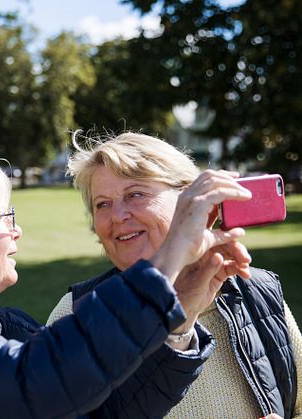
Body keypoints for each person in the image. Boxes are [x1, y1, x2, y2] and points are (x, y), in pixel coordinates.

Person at [0, 133, 253, 419]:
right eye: (3, 217)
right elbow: (38, 385)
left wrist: (180, 313)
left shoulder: (9, 329)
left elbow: (105, 412)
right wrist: (167, 261)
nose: (17, 231)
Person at [48, 132, 302, 418]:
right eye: (102, 204)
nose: (117, 216)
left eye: (135, 195)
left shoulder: (259, 291)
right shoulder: (75, 313)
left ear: (189, 199)